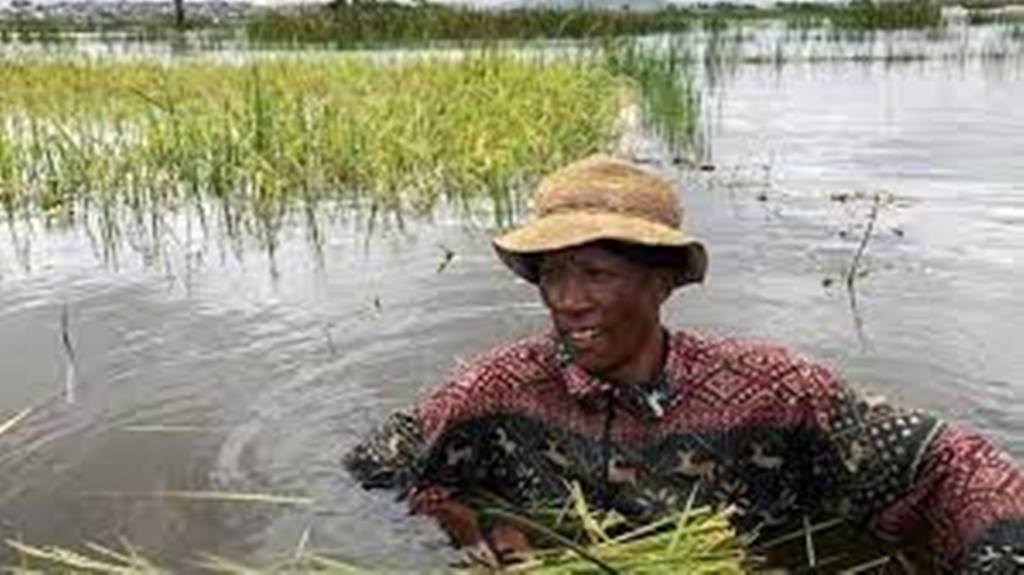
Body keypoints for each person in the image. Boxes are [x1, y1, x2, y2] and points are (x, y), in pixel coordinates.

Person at [344, 154, 1024, 573]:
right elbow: (377, 464)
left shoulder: (774, 391)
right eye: (551, 274)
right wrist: (484, 529)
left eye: (597, 272)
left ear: (662, 282)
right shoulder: (497, 387)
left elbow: (945, 464)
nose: (567, 301)